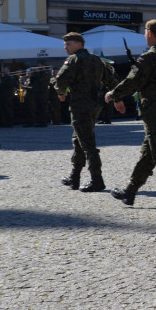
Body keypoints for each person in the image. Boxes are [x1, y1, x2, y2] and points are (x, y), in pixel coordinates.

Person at [106, 20, 156, 209]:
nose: (144, 35)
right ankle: (130, 191)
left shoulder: (149, 57)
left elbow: (133, 80)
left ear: (150, 33)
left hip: (154, 108)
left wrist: (113, 94)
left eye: (145, 31)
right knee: (149, 152)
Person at [53, 32, 116, 191]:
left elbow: (60, 80)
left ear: (78, 44)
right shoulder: (96, 59)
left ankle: (97, 180)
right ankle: (74, 177)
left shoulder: (74, 60)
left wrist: (61, 93)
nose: (65, 48)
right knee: (79, 140)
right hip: (95, 104)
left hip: (80, 105)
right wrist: (117, 97)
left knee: (87, 143)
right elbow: (111, 80)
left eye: (68, 44)